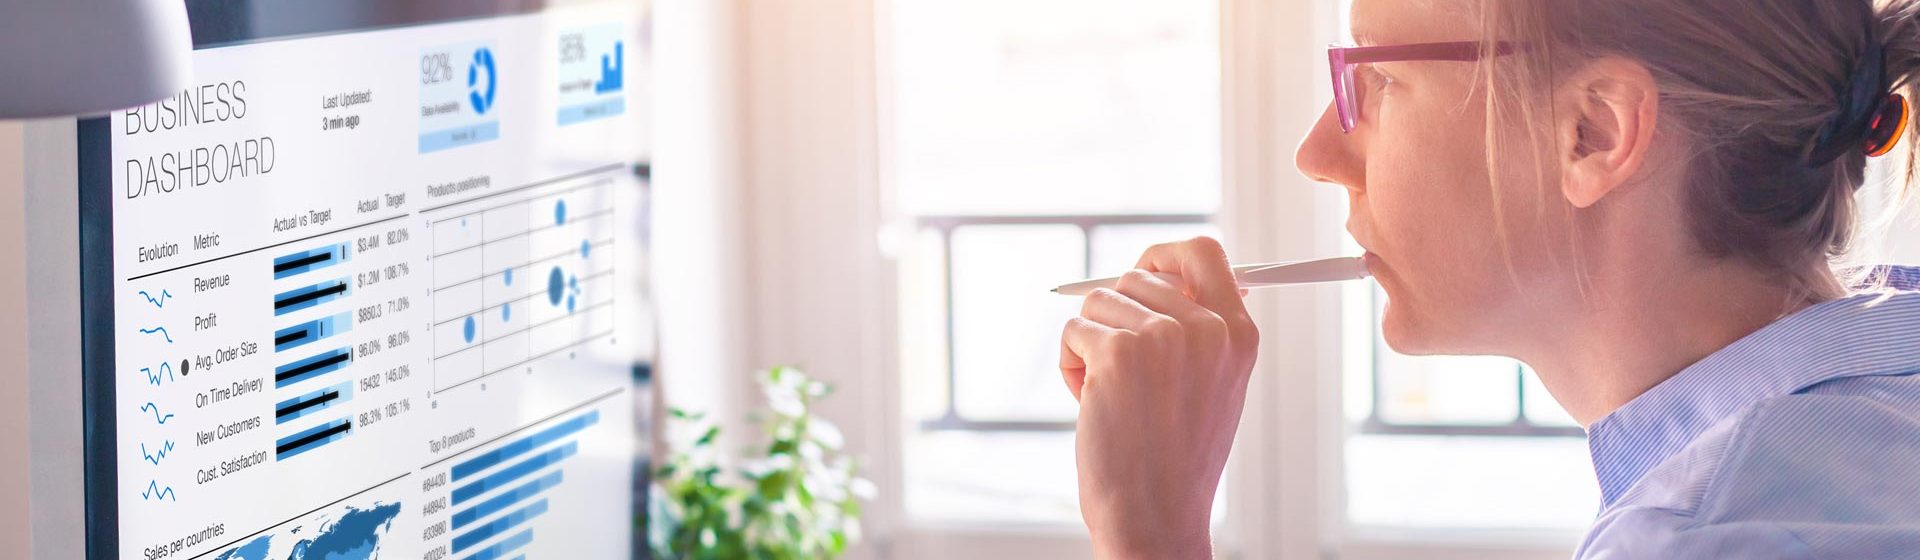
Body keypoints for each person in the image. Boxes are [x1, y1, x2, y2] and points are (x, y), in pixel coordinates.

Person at [1058, 0, 1920, 557]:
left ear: (1593, 131)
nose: (1317, 155)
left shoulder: (1704, 538)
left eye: (1378, 80)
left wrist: (1148, 532)